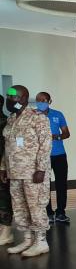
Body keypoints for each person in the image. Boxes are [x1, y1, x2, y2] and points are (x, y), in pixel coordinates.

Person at [0, 85, 51, 257]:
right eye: (8, 96)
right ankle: (28, 240)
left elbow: (45, 145)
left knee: (35, 207)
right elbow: (8, 146)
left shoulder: (38, 117)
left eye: (13, 96)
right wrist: (3, 167)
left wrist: (41, 169)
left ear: (23, 98)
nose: (9, 99)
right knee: (20, 207)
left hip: (33, 173)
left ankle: (41, 242)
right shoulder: (11, 119)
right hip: (15, 172)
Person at [36, 92, 71, 224]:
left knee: (61, 184)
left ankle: (61, 212)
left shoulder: (58, 114)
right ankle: (48, 213)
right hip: (42, 156)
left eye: (44, 100)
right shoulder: (33, 116)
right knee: (44, 185)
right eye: (38, 100)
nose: (41, 102)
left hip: (59, 155)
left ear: (49, 101)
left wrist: (57, 136)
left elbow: (66, 133)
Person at [0, 94, 12, 246]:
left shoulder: (6, 122)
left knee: (3, 198)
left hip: (3, 166)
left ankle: (6, 229)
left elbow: (8, 148)